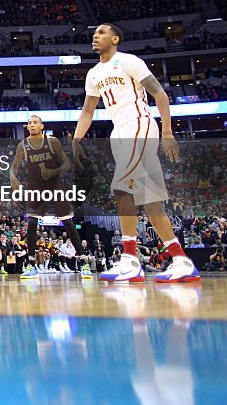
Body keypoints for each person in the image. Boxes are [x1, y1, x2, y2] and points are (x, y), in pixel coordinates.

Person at [73, 23, 199, 283]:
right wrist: (76, 139)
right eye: (94, 33)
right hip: (119, 131)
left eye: (101, 33)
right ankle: (181, 260)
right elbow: (87, 111)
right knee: (149, 200)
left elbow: (160, 95)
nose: (95, 36)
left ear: (115, 39)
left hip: (139, 124)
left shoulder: (129, 61)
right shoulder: (94, 73)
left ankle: (130, 259)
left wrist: (167, 133)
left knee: (122, 190)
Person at [10, 115, 90, 280]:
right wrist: (13, 177)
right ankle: (31, 264)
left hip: (55, 184)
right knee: (31, 223)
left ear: (42, 126)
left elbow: (66, 164)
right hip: (35, 185)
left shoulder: (52, 141)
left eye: (35, 123)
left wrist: (52, 172)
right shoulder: (22, 146)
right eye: (29, 123)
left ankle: (84, 263)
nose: (31, 125)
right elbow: (13, 167)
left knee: (68, 222)